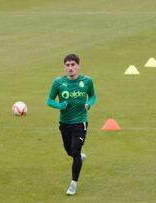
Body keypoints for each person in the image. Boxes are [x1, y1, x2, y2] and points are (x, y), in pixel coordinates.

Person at [47, 54, 96, 195]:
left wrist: (89, 104)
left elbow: (93, 96)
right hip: (65, 123)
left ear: (78, 66)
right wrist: (60, 105)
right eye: (67, 65)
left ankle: (73, 184)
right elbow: (49, 101)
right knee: (69, 151)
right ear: (64, 67)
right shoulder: (58, 83)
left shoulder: (87, 81)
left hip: (80, 122)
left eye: (73, 65)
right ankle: (79, 157)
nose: (70, 68)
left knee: (75, 151)